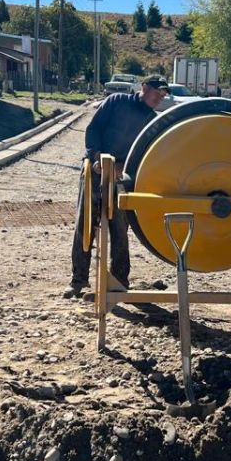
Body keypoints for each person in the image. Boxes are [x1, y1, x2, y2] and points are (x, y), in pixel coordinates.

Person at [66, 77, 168, 298]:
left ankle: (119, 281)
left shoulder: (152, 121)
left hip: (122, 177)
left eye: (162, 96)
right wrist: (95, 157)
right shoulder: (116, 101)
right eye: (156, 93)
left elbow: (148, 153)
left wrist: (126, 167)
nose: (159, 98)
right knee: (85, 224)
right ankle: (78, 280)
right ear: (144, 88)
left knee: (120, 228)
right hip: (96, 169)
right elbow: (94, 130)